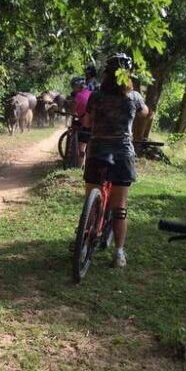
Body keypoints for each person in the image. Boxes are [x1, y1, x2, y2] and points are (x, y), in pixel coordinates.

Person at [80, 53, 149, 268]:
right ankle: (119, 253)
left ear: (105, 74)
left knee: (89, 203)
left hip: (97, 151)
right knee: (120, 207)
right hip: (122, 154)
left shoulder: (96, 96)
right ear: (127, 74)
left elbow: (87, 122)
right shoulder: (134, 97)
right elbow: (145, 113)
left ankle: (84, 235)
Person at [70, 76, 91, 167]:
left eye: (73, 87)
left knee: (82, 148)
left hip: (85, 125)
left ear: (77, 86)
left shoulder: (78, 96)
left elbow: (72, 110)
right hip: (95, 125)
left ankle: (79, 167)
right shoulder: (92, 93)